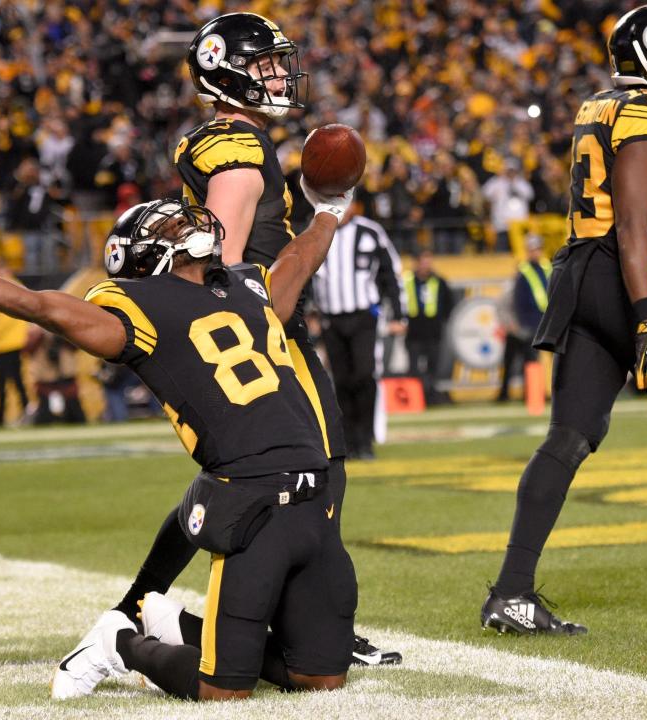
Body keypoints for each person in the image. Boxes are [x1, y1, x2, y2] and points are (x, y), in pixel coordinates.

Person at [0, 187, 356, 702]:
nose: (187, 226)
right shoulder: (136, 307)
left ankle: (172, 622)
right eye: (168, 229)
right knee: (221, 691)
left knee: (318, 679)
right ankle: (120, 643)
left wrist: (327, 212)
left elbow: (295, 265)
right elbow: (40, 307)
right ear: (146, 256)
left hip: (314, 495)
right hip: (252, 498)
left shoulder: (242, 283)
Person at [481, 4, 647, 635]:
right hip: (628, 276)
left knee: (568, 438)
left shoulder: (596, 105)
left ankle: (512, 593)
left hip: (580, 277)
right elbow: (631, 225)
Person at [146, 11, 400, 666]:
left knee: (242, 484)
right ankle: (308, 629)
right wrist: (235, 323)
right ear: (226, 70)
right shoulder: (237, 147)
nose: (282, 73)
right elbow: (219, 254)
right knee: (316, 475)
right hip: (264, 334)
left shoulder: (237, 139)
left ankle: (139, 605)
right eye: (266, 62)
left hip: (259, 330)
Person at [312, 203, 407, 459]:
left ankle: (365, 440)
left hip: (364, 315)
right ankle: (349, 442)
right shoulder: (317, 231)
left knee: (364, 376)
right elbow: (306, 273)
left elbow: (392, 273)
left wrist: (399, 313)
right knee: (341, 381)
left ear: (355, 206)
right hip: (331, 318)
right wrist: (310, 311)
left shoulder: (370, 231)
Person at [496, 234, 551, 402]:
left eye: (537, 248)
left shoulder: (548, 268)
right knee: (521, 361)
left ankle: (538, 392)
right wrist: (516, 324)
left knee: (536, 361)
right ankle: (524, 394)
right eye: (532, 249)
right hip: (526, 324)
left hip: (543, 321)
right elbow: (512, 302)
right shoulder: (523, 272)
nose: (535, 252)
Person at [402, 250, 454, 404]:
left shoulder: (439, 281)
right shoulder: (406, 280)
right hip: (413, 331)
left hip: (433, 331)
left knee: (433, 366)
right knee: (413, 367)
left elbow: (448, 304)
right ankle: (415, 399)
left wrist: (441, 321)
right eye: (423, 261)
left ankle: (430, 397)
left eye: (428, 261)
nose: (426, 265)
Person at [0, 262, 31, 426]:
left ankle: (2, 417)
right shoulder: (13, 285)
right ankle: (19, 412)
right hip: (8, 343)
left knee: (8, 382)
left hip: (8, 343)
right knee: (12, 381)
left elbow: (6, 317)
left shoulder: (8, 287)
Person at [482, 157, 533, 252]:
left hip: (519, 226)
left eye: (512, 171)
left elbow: (530, 195)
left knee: (519, 252)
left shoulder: (522, 183)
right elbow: (485, 193)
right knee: (502, 253)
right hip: (502, 225)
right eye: (508, 170)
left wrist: (515, 185)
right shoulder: (496, 183)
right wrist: (499, 178)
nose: (510, 173)